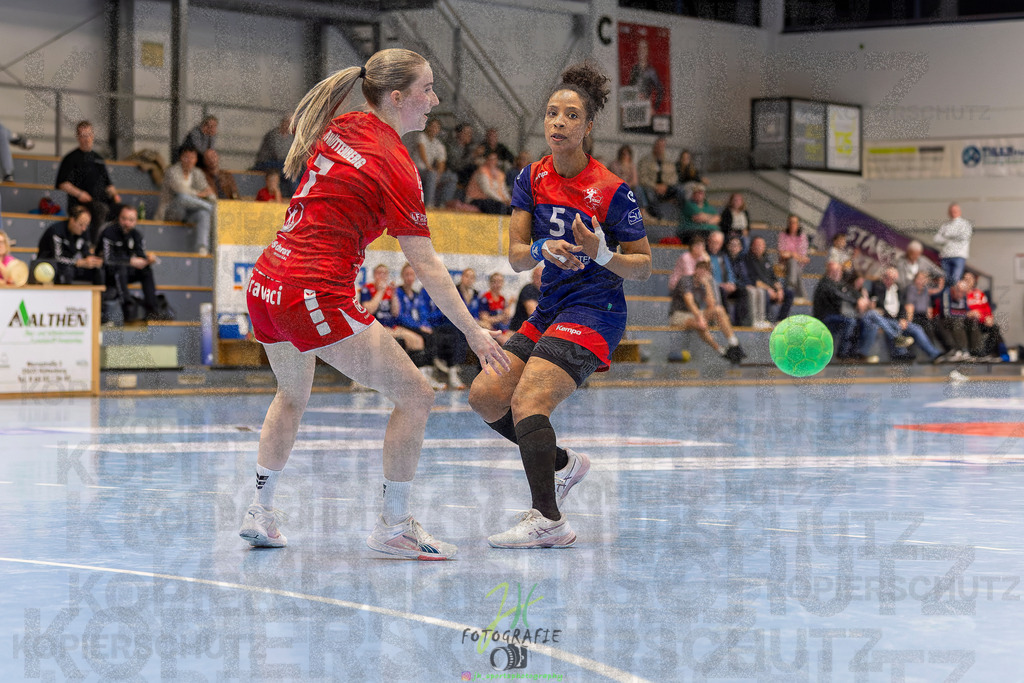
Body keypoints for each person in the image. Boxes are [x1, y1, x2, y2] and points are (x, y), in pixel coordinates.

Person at [238, 49, 510, 559]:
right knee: (417, 396)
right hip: (312, 290)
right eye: (427, 90)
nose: (435, 100)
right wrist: (474, 332)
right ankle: (395, 526)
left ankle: (260, 510)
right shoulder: (397, 164)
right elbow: (426, 265)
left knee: (291, 396)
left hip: (266, 283)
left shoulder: (344, 124)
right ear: (398, 97)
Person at [467, 61, 651, 549]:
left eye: (571, 115)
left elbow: (644, 264)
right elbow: (514, 256)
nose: (558, 122)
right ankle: (564, 464)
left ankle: (549, 521)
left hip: (596, 313)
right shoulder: (530, 176)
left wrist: (601, 252)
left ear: (587, 127)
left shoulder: (611, 189)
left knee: (529, 401)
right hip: (551, 308)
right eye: (552, 113)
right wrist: (538, 252)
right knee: (486, 394)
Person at [56, 120, 121, 246]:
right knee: (100, 209)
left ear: (93, 136)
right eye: (83, 135)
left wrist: (116, 196)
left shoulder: (98, 158)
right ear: (78, 137)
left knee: (123, 210)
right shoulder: (70, 159)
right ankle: (93, 244)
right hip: (80, 202)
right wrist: (79, 194)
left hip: (102, 199)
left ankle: (114, 244)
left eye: (89, 135)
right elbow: (62, 183)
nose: (86, 139)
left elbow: (109, 184)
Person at [669, 260, 745, 363]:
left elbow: (712, 305)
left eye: (705, 271)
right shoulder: (686, 280)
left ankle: (734, 344)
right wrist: (700, 318)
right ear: (696, 270)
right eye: (701, 270)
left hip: (696, 314)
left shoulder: (703, 284)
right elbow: (689, 302)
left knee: (719, 310)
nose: (702, 273)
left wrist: (707, 284)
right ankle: (721, 351)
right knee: (701, 324)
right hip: (679, 314)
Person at [97, 204, 163, 322]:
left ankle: (152, 310)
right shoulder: (108, 232)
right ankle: (128, 308)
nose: (127, 223)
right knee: (120, 269)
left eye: (131, 220)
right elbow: (107, 259)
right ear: (119, 218)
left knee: (146, 271)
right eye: (124, 219)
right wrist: (129, 261)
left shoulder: (137, 235)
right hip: (108, 272)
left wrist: (148, 260)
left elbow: (140, 256)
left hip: (127, 271)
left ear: (135, 221)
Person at [866, 266, 940, 363]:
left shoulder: (898, 289)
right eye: (887, 277)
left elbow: (902, 306)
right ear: (883, 277)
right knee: (892, 325)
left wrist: (903, 318)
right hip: (885, 318)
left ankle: (934, 354)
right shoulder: (878, 287)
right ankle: (900, 352)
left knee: (916, 328)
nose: (890, 281)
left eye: (893, 278)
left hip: (897, 319)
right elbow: (877, 305)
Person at [156, 147, 216, 254]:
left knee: (204, 213)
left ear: (196, 159)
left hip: (189, 213)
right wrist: (199, 194)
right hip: (172, 211)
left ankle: (202, 248)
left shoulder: (197, 173)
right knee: (182, 198)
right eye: (186, 157)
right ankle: (213, 208)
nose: (189, 160)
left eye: (192, 157)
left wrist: (211, 198)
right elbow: (181, 190)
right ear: (181, 158)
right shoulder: (172, 171)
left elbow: (209, 192)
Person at [812, 261, 873, 361]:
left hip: (836, 315)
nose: (839, 273)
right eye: (836, 271)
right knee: (850, 321)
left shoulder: (838, 283)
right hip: (825, 316)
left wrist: (860, 298)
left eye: (839, 271)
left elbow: (851, 290)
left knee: (860, 321)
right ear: (829, 271)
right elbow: (838, 294)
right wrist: (856, 300)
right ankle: (842, 353)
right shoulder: (825, 283)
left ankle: (854, 352)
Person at [35, 206, 104, 285]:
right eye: (81, 224)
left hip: (71, 263)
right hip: (48, 265)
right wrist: (78, 262)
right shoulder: (56, 232)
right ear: (72, 220)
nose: (84, 228)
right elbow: (57, 258)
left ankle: (98, 296)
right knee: (67, 271)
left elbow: (85, 251)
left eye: (86, 225)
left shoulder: (83, 231)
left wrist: (93, 260)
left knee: (98, 270)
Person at [745, 236, 793, 325]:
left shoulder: (766, 260)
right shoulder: (748, 260)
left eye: (762, 245)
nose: (759, 247)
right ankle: (766, 320)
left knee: (789, 293)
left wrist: (779, 290)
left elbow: (774, 278)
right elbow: (754, 281)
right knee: (764, 293)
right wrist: (768, 289)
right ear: (752, 246)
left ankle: (780, 320)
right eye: (757, 245)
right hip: (761, 289)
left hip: (771, 289)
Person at [413, 117, 456, 208]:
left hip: (429, 172)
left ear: (439, 130)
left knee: (452, 177)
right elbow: (422, 152)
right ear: (427, 127)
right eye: (432, 126)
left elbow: (441, 161)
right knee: (432, 174)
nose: (434, 129)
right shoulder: (421, 136)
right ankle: (429, 204)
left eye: (436, 127)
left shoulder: (438, 144)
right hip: (417, 170)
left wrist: (439, 175)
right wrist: (429, 167)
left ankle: (443, 204)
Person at [637, 136, 679, 219]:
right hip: (651, 187)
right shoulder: (645, 161)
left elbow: (674, 177)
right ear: (654, 147)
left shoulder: (669, 161)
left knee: (680, 190)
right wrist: (655, 186)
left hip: (666, 188)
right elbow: (642, 178)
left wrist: (665, 186)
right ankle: (657, 215)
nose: (660, 148)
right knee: (648, 193)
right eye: (658, 146)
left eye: (662, 146)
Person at [254, 115, 295, 196]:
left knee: (295, 171)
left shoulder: (290, 137)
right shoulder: (273, 135)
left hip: (280, 163)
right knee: (289, 171)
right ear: (283, 123)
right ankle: (294, 195)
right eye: (288, 123)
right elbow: (278, 154)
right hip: (266, 162)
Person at [933, 203, 972, 287]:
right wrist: (950, 238)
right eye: (951, 211)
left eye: (955, 211)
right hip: (946, 256)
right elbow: (936, 239)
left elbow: (963, 236)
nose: (953, 212)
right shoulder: (945, 225)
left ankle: (954, 298)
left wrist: (947, 236)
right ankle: (947, 299)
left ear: (959, 211)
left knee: (955, 280)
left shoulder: (964, 224)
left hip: (958, 256)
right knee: (946, 281)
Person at [777, 215, 810, 297]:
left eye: (795, 222)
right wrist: (793, 255)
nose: (792, 224)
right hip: (784, 263)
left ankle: (790, 286)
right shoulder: (783, 235)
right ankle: (802, 295)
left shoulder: (802, 236)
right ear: (788, 224)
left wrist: (791, 255)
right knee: (792, 261)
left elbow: (804, 258)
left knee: (793, 262)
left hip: (798, 264)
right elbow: (781, 254)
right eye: (790, 222)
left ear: (798, 224)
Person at [509, 265, 542, 332]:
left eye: (542, 277)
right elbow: (533, 313)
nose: (540, 279)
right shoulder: (528, 289)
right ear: (532, 277)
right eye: (537, 277)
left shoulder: (545, 292)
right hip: (519, 331)